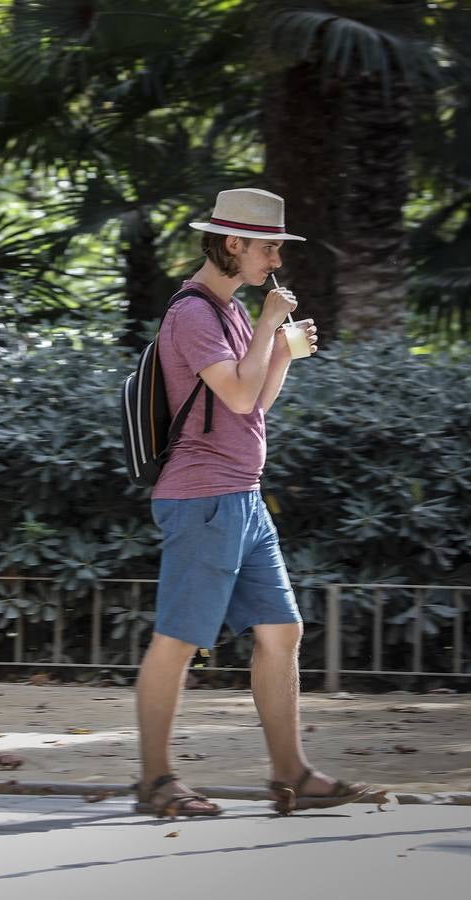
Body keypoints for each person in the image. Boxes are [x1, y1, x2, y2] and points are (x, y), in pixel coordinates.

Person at [134, 188, 370, 817]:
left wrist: (283, 349)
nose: (277, 260)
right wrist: (269, 324)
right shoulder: (192, 314)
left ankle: (290, 773)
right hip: (204, 499)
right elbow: (236, 399)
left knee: (281, 630)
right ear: (233, 244)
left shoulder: (233, 312)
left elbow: (255, 403)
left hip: (243, 497)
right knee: (179, 639)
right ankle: (155, 781)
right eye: (269, 247)